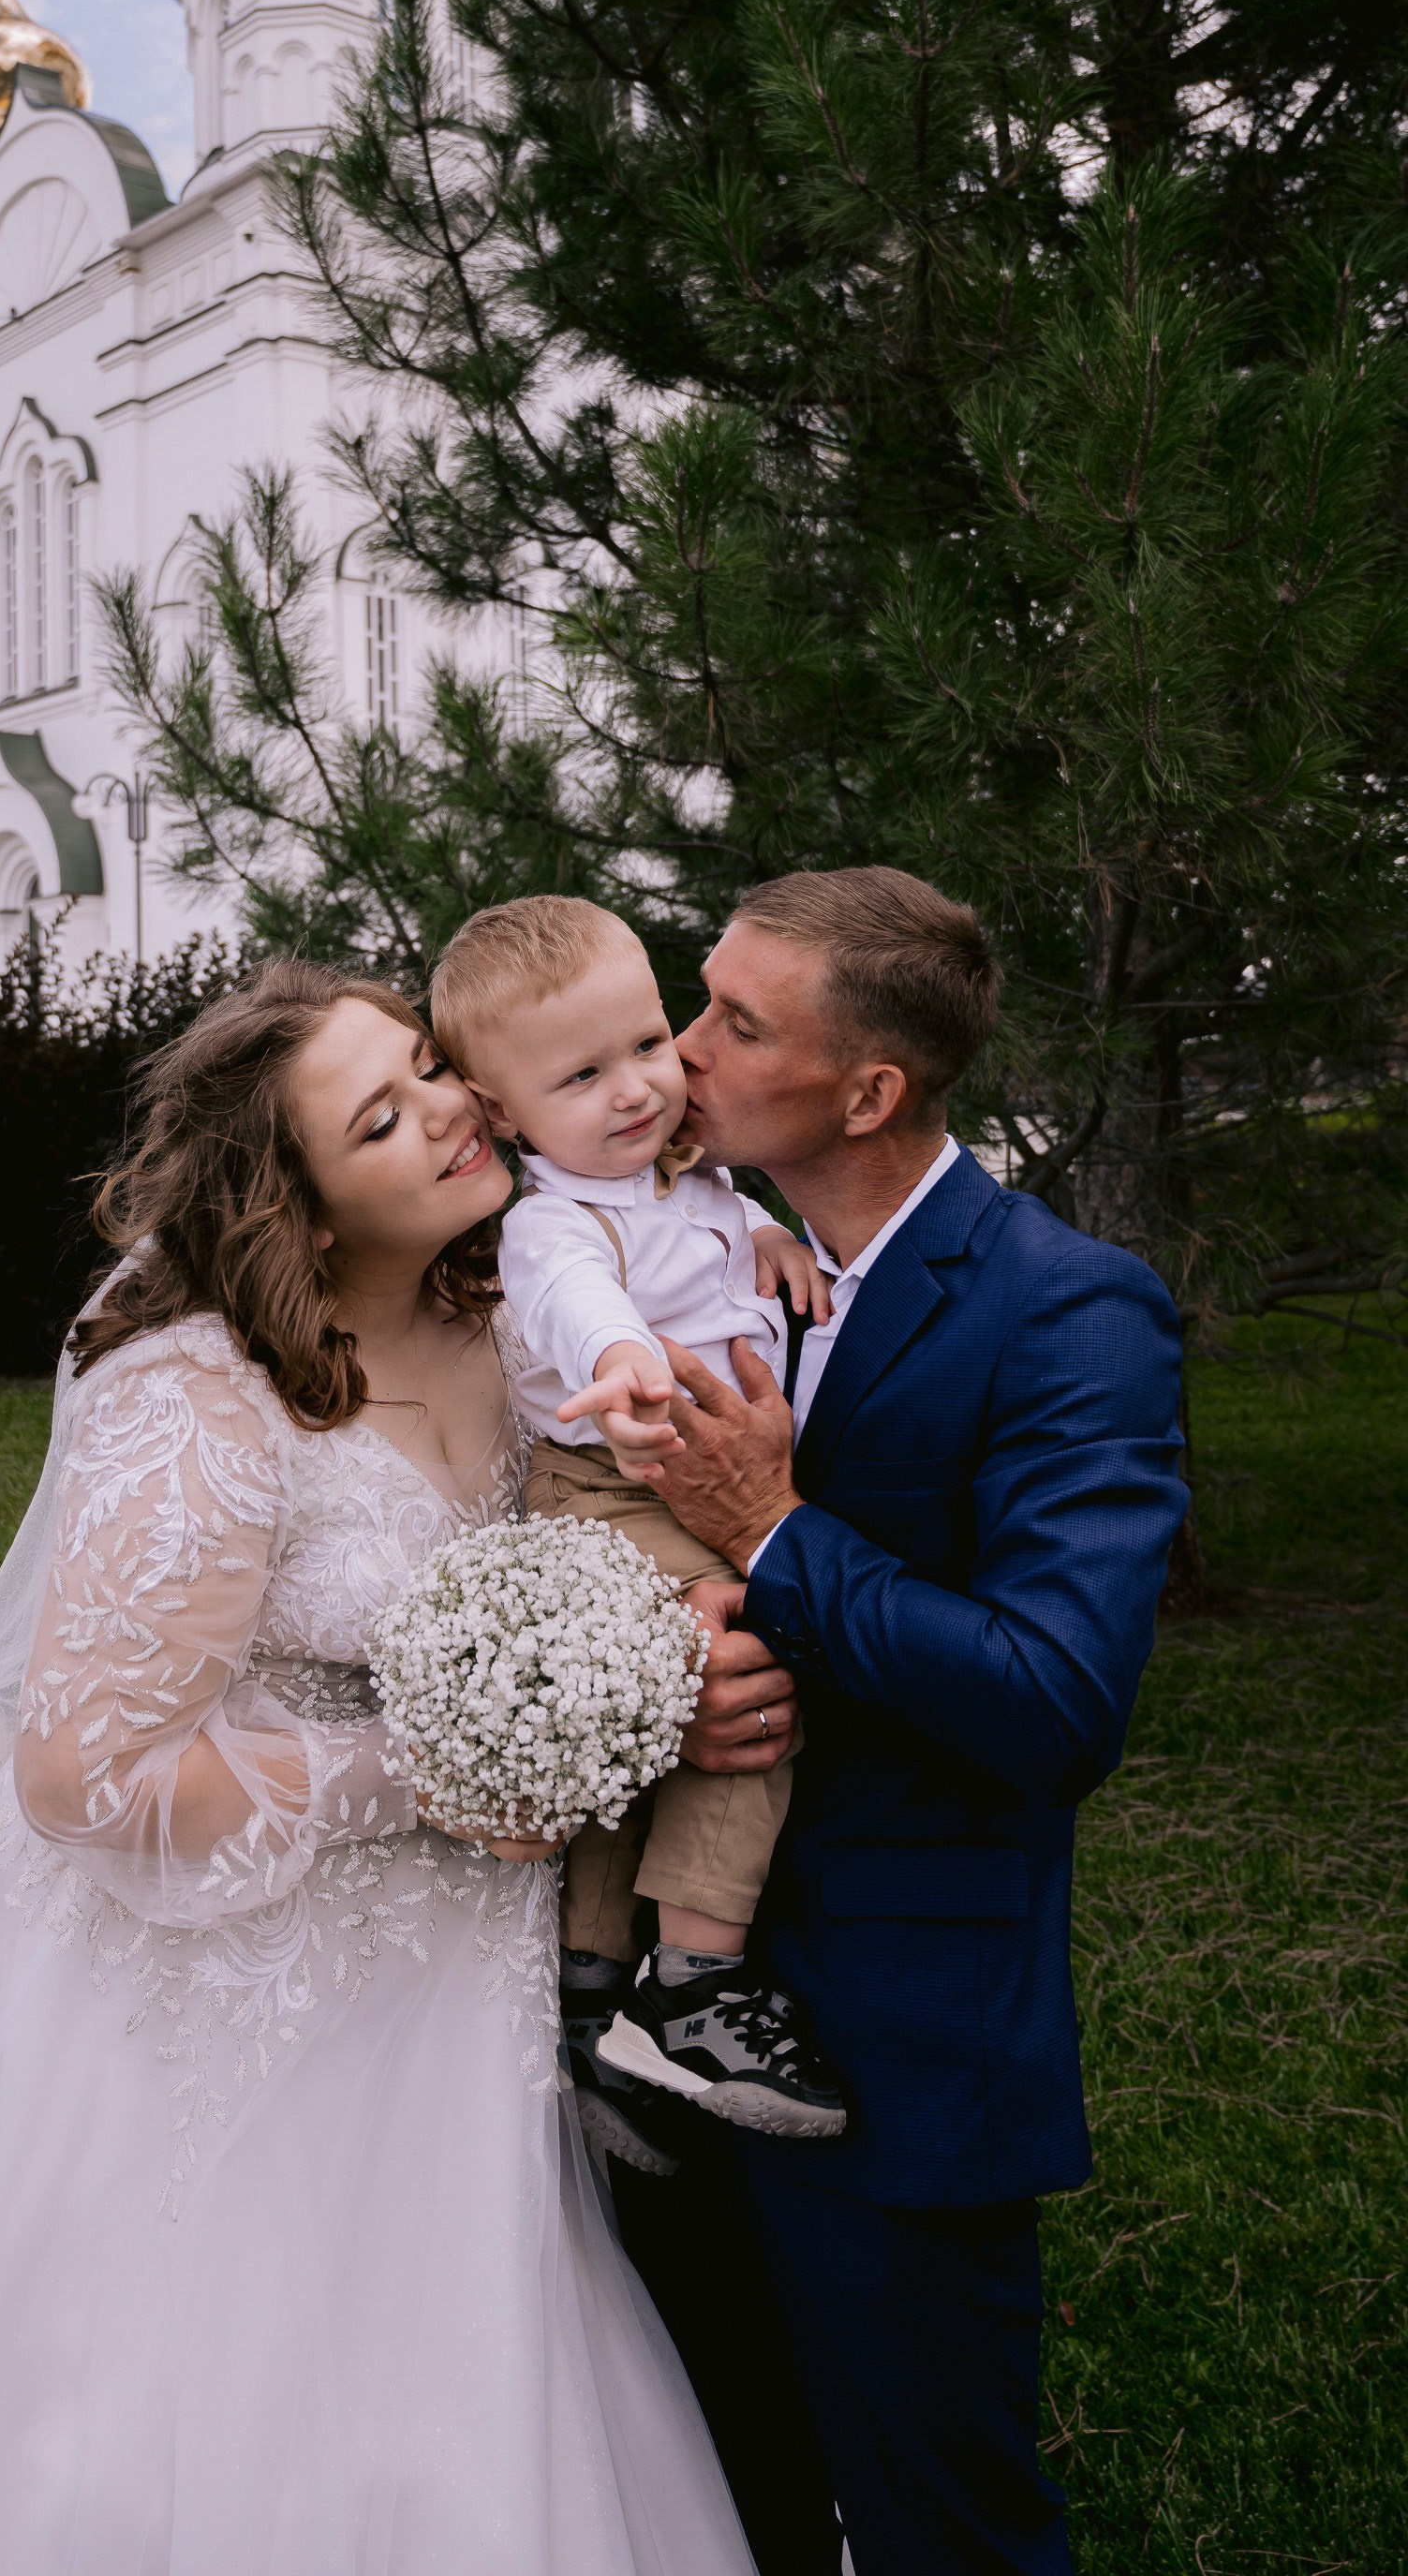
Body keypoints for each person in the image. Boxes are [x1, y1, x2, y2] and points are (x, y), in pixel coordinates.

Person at [0, 960, 765, 2576]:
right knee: (175, 2399)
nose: (452, 1110)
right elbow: (85, 1770)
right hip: (205, 1970)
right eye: (382, 1120)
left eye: (428, 1066)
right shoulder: (196, 1392)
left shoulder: (521, 1309)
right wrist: (435, 1770)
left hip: (458, 1976)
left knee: (462, 2379)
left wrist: (652, 1677)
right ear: (296, 1205)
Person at [615, 868, 1190, 2576]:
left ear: (869, 1093)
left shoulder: (1067, 1308)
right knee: (724, 2506)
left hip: (899, 2036)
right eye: (699, 999)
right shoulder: (684, 1255)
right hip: (653, 2011)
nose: (682, 1049)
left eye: (737, 1024)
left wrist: (778, 1535)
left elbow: (1055, 1698)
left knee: (945, 2526)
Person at [429, 894, 846, 2153]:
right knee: (747, 1667)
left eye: (650, 1045)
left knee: (634, 1727)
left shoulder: (695, 1177)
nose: (636, 1089)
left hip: (666, 1481)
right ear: (503, 1113)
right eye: (582, 1076)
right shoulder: (554, 1221)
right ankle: (696, 1982)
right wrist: (621, 1361)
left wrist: (769, 1232)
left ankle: (593, 1983)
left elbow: (706, 1228)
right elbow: (578, 1298)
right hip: (615, 1487)